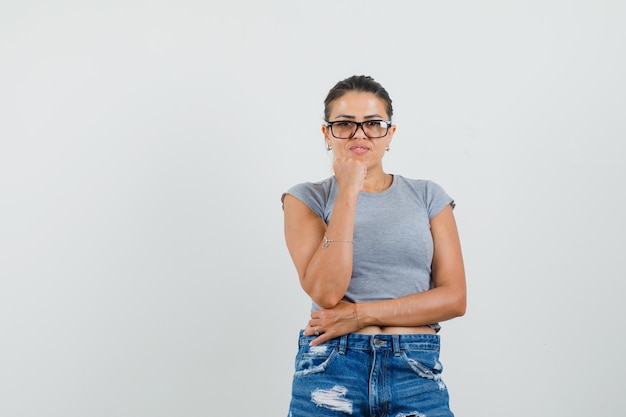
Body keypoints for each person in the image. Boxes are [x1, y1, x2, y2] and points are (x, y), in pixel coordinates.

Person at [281, 75, 466, 417]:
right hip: (332, 368)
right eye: (345, 124)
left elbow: (454, 299)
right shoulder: (305, 198)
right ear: (326, 133)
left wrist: (359, 314)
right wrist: (349, 190)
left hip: (415, 369)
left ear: (390, 133)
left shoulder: (428, 196)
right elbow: (326, 291)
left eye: (373, 123)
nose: (359, 134)